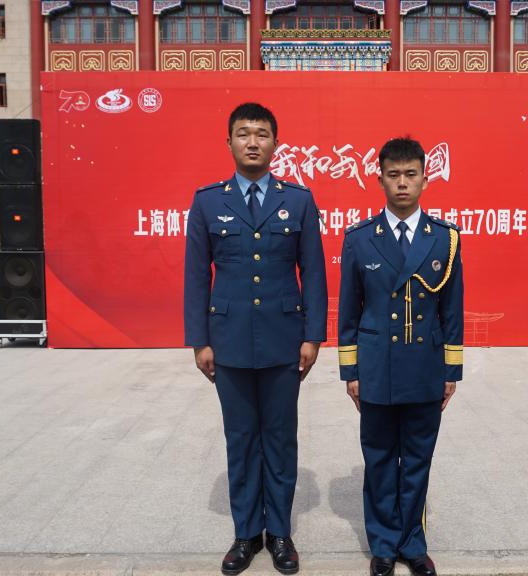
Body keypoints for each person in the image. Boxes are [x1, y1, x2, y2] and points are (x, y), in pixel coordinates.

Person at [184, 102, 328, 575]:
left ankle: (279, 532)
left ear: (275, 144)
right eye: (243, 133)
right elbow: (195, 277)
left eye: (261, 134)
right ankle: (246, 533)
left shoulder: (298, 200)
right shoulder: (208, 201)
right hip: (228, 342)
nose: (252, 142)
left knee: (281, 438)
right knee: (241, 438)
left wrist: (313, 335)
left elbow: (313, 271)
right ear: (228, 142)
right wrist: (200, 341)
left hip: (285, 340)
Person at [337, 137, 464, 576]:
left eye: (411, 174)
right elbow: (349, 312)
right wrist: (351, 371)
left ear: (426, 180)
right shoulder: (360, 239)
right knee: (378, 459)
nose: (403, 183)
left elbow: (452, 311)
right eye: (394, 175)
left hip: (425, 368)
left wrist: (451, 371)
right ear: (380, 180)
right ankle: (384, 546)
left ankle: (413, 543)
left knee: (417, 461)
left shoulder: (445, 239)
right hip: (376, 368)